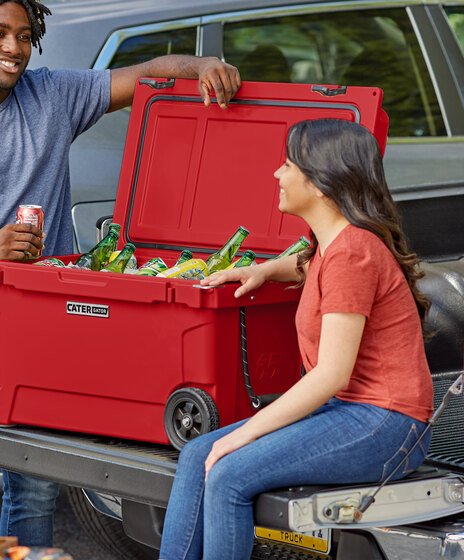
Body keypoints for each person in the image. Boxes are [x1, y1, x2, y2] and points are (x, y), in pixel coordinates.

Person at [0, 0, 240, 546]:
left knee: (38, 479)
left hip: (43, 327)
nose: (13, 49)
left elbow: (144, 76)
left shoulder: (52, 95)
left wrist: (201, 68)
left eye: (24, 36)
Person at [158, 118, 434, 560]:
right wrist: (262, 270)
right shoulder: (333, 244)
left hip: (387, 423)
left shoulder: (352, 252)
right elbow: (308, 266)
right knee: (196, 456)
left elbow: (330, 374)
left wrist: (242, 435)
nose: (276, 174)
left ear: (323, 183)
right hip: (351, 410)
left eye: (287, 164)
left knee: (228, 472)